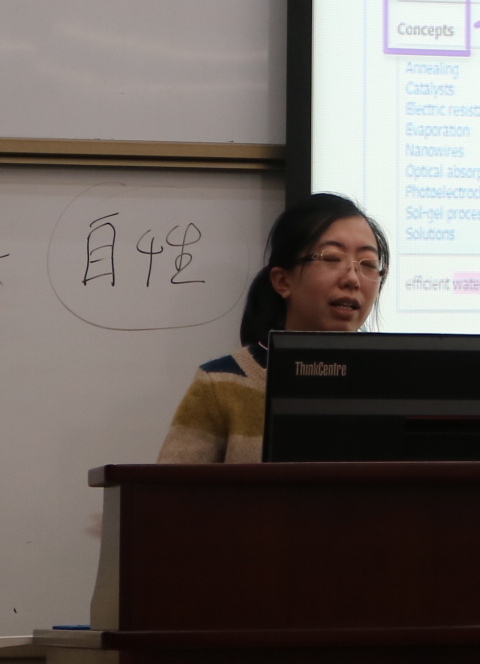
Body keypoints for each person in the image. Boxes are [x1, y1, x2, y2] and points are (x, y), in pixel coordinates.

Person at [156, 193, 388, 463]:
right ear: (282, 281)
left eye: (368, 264)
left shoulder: (391, 383)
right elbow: (170, 488)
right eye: (332, 258)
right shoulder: (221, 383)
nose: (352, 279)